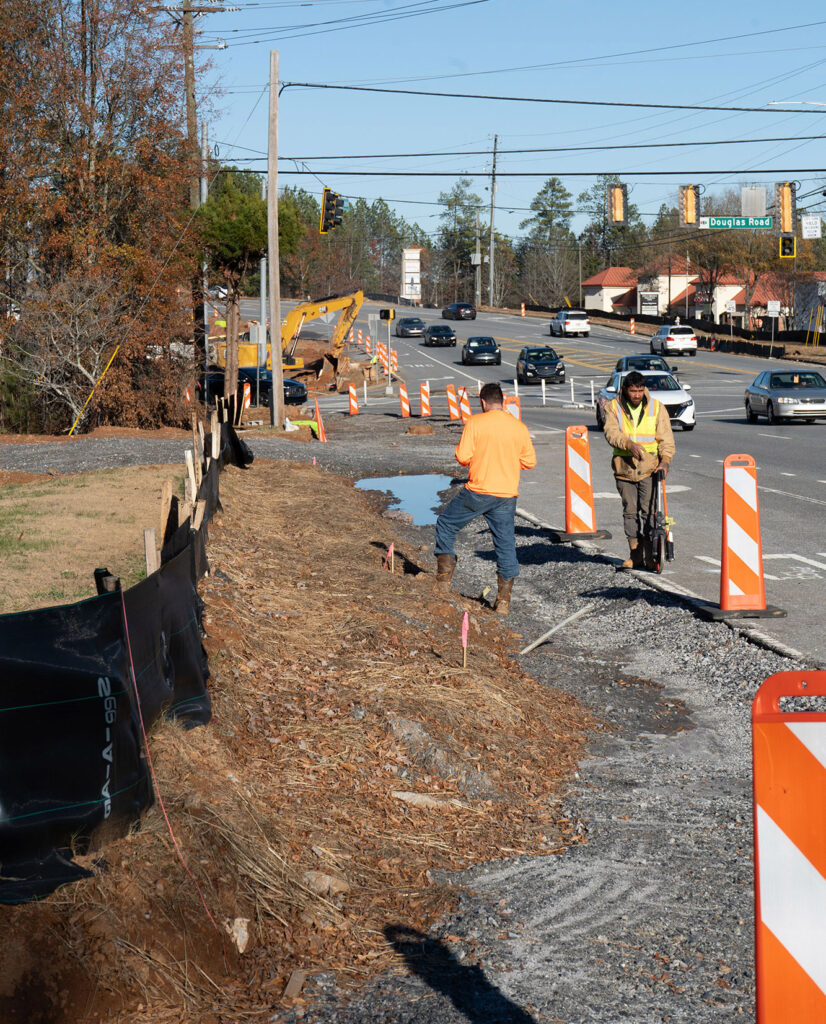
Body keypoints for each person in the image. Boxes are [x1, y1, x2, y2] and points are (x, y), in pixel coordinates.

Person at [434, 382, 536, 614]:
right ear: (503, 401)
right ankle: (503, 601)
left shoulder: (476, 422)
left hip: (478, 491)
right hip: (506, 495)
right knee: (505, 543)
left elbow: (462, 456)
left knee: (447, 524)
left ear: (482, 402)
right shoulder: (518, 426)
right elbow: (529, 461)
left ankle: (442, 581)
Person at [602, 370, 675, 570]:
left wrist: (665, 461)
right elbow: (611, 433)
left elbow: (666, 439)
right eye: (633, 391)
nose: (637, 395)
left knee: (649, 513)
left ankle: (652, 555)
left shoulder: (657, 408)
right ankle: (635, 555)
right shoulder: (612, 407)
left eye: (640, 391)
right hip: (624, 467)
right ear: (625, 389)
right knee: (630, 512)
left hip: (649, 467)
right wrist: (628, 444)